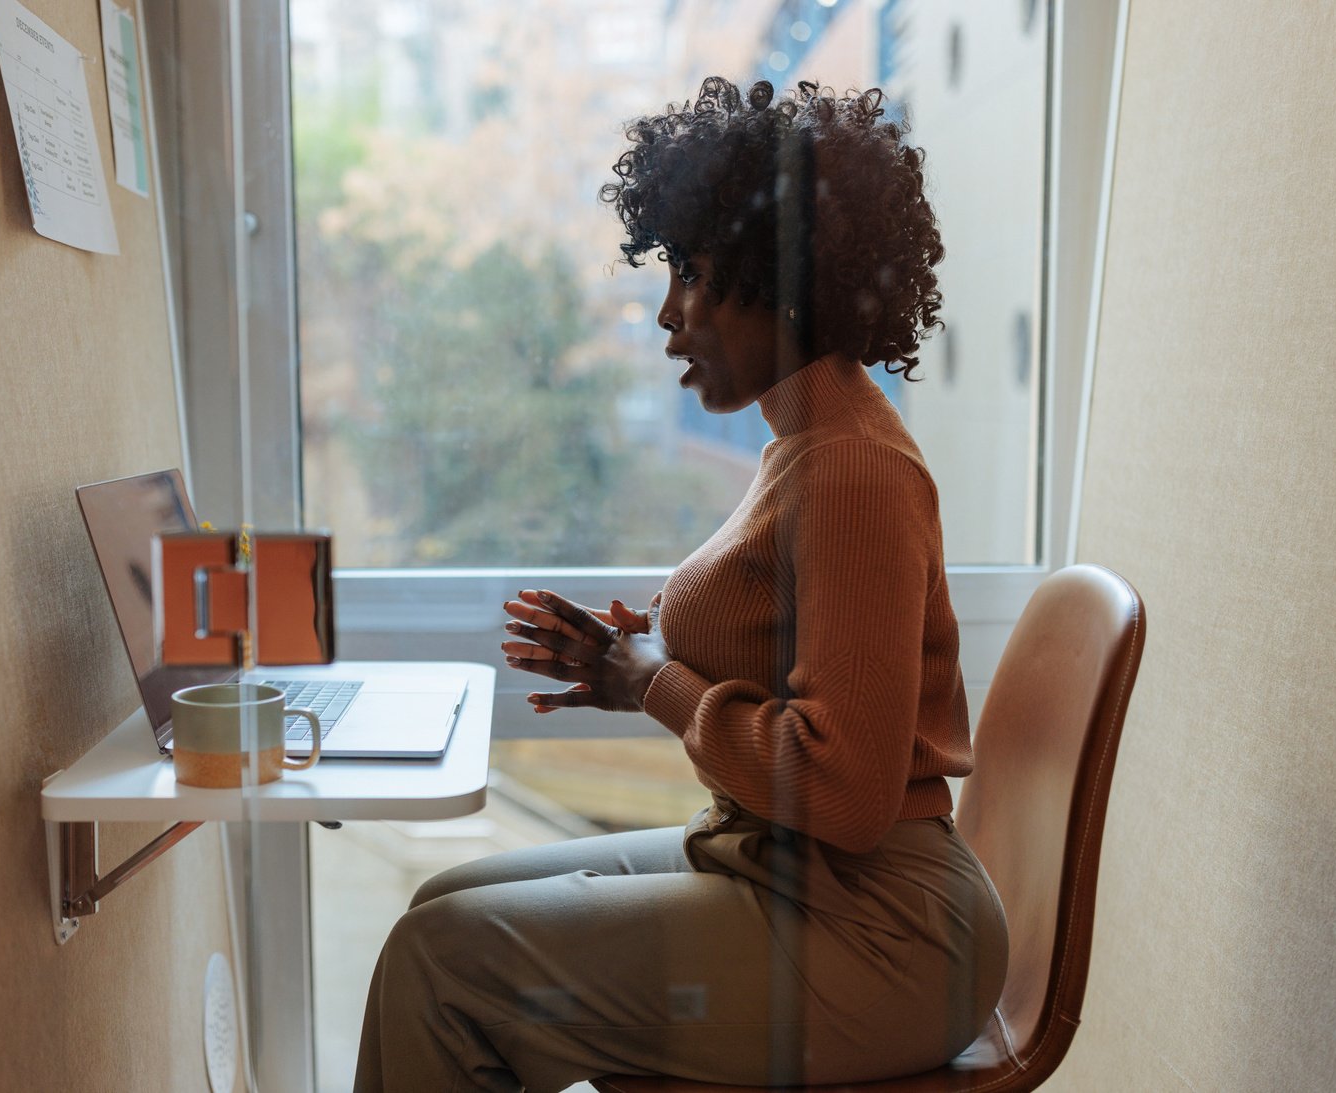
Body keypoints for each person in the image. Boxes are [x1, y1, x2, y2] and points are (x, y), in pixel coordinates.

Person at [353, 76, 1007, 1093]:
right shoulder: (807, 446)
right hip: (783, 871)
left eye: (694, 273)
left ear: (781, 276)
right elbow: (787, 660)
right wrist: (639, 656)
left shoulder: (851, 470)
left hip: (883, 932)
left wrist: (652, 681)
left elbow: (844, 788)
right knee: (440, 904)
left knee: (443, 966)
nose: (667, 316)